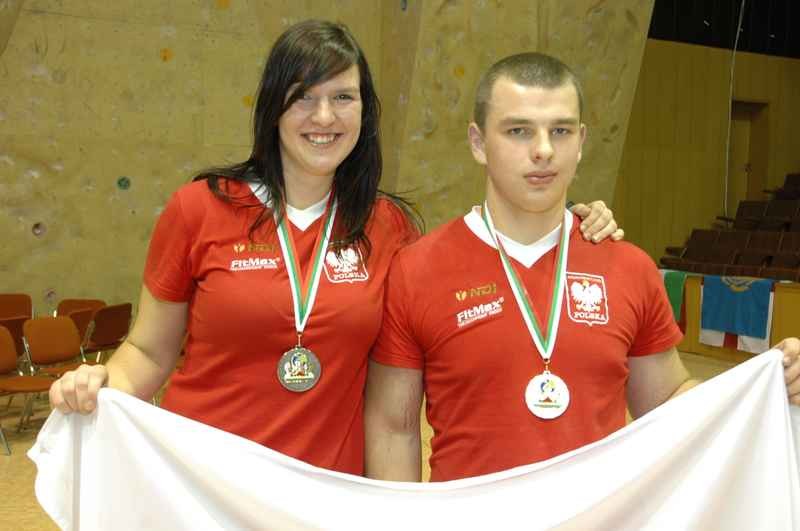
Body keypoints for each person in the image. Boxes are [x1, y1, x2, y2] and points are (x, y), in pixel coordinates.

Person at [48, 22, 621, 475]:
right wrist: (101, 381)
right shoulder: (199, 209)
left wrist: (567, 224)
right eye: (303, 97)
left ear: (364, 112)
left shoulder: (390, 226)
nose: (324, 117)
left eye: (343, 97)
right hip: (203, 484)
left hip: (324, 494)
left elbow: (467, 268)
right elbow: (148, 354)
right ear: (273, 107)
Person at [363, 52, 800, 482]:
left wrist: (765, 387)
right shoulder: (417, 269)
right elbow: (393, 426)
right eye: (518, 131)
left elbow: (667, 400)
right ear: (478, 143)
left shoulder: (629, 266)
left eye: (561, 131)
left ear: (582, 141)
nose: (543, 151)